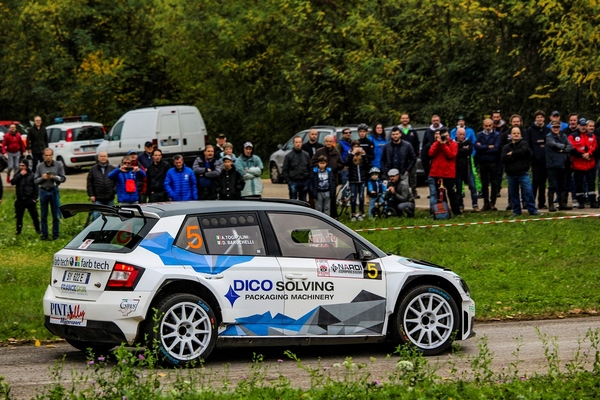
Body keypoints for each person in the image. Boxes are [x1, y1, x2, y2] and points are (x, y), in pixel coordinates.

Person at [501, 127, 541, 216]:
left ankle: (532, 210)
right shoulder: (506, 147)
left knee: (528, 191)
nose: (516, 135)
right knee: (514, 194)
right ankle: (516, 212)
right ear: (511, 135)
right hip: (511, 174)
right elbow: (504, 158)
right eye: (514, 133)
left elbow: (525, 152)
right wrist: (517, 155)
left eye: (518, 133)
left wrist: (512, 154)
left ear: (520, 135)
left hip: (523, 173)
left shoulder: (524, 144)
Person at [34, 148, 66, 240]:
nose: (48, 157)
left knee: (55, 214)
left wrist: (54, 177)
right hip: (43, 190)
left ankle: (56, 234)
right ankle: (44, 234)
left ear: (52, 155)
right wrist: (42, 178)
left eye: (50, 155)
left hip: (53, 190)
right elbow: (35, 180)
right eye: (46, 155)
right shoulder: (40, 166)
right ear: (43, 156)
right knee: (43, 214)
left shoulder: (58, 165)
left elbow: (63, 178)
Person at [428, 128, 460, 215]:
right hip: (438, 173)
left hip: (449, 173)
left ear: (449, 135)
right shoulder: (436, 143)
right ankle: (444, 211)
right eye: (443, 136)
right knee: (441, 194)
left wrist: (444, 145)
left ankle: (456, 211)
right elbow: (431, 153)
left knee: (452, 193)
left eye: (446, 136)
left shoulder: (453, 144)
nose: (445, 138)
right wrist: (438, 143)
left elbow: (451, 155)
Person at [568, 118, 598, 208]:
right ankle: (581, 202)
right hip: (578, 165)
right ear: (578, 126)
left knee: (591, 184)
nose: (583, 127)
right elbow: (572, 148)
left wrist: (589, 154)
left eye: (584, 125)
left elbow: (595, 146)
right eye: (581, 125)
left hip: (590, 164)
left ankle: (593, 201)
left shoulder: (592, 135)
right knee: (579, 185)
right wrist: (582, 155)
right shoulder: (572, 136)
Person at [312, 135, 344, 218]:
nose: (329, 143)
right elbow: (313, 162)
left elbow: (341, 163)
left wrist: (336, 166)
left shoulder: (336, 152)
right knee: (320, 199)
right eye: (327, 141)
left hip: (333, 178)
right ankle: (319, 216)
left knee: (332, 197)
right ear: (324, 142)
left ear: (333, 142)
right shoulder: (319, 151)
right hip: (320, 179)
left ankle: (332, 216)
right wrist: (321, 166)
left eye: (330, 141)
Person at [546, 120, 573, 211]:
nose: (556, 129)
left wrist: (562, 149)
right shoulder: (549, 137)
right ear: (551, 127)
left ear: (560, 127)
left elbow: (570, 147)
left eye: (557, 127)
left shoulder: (564, 136)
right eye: (554, 127)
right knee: (552, 185)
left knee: (563, 185)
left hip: (563, 164)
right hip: (552, 165)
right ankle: (551, 205)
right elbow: (553, 145)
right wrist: (563, 147)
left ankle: (562, 204)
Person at [525, 110, 550, 209]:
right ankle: (530, 203)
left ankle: (541, 203)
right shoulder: (530, 130)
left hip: (545, 160)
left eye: (541, 117)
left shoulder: (547, 130)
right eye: (538, 117)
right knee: (535, 182)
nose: (540, 119)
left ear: (544, 118)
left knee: (543, 183)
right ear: (535, 118)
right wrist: (532, 155)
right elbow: (527, 144)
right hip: (535, 160)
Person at [474, 119, 501, 211]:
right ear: (483, 126)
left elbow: (496, 148)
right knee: (484, 183)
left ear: (492, 125)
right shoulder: (479, 135)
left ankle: (493, 203)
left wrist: (483, 147)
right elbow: (476, 147)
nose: (488, 127)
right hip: (483, 162)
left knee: (494, 183)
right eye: (486, 126)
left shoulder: (496, 135)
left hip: (493, 162)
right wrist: (488, 146)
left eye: (489, 125)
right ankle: (486, 203)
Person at [11, 159, 40, 235]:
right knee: (19, 217)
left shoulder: (32, 175)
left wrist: (35, 199)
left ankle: (38, 230)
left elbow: (36, 188)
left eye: (23, 166)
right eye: (20, 165)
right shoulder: (18, 174)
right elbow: (12, 182)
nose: (21, 167)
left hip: (29, 199)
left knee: (34, 216)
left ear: (26, 166)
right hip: (20, 199)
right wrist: (20, 175)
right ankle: (18, 231)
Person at [86, 151, 116, 220]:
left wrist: (114, 191)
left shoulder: (112, 169)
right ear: (98, 158)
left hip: (110, 197)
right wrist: (91, 195)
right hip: (98, 198)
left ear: (107, 158)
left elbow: (116, 181)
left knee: (111, 216)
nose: (103, 158)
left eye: (104, 156)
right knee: (96, 216)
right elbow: (89, 183)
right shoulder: (93, 169)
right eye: (101, 156)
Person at [345, 140, 370, 221]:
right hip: (353, 180)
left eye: (357, 146)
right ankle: (353, 214)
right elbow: (346, 162)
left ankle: (361, 213)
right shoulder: (349, 155)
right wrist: (352, 154)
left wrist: (364, 155)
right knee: (353, 197)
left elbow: (367, 166)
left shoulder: (362, 156)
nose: (356, 148)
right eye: (354, 146)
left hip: (362, 180)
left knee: (362, 197)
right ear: (352, 147)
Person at [455, 128, 479, 212]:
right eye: (460, 134)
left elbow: (469, 151)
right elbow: (455, 152)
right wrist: (463, 150)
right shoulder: (453, 143)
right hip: (457, 169)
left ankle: (475, 205)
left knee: (472, 187)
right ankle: (460, 206)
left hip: (467, 169)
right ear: (456, 134)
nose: (462, 136)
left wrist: (462, 150)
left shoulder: (468, 142)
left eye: (463, 134)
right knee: (458, 189)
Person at [283, 136, 312, 201]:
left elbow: (310, 167)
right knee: (293, 201)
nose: (298, 144)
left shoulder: (306, 155)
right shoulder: (288, 156)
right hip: (293, 181)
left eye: (299, 142)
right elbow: (285, 169)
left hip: (304, 181)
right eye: (296, 142)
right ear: (293, 143)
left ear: (302, 143)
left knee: (303, 200)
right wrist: (288, 181)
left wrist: (308, 179)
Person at [399, 114, 421, 198]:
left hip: (412, 158)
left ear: (409, 119)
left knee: (413, 175)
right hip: (402, 158)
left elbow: (417, 143)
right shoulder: (398, 131)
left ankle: (414, 191)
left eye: (406, 118)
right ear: (401, 119)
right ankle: (405, 192)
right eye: (403, 118)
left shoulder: (413, 131)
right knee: (403, 175)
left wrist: (416, 154)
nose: (405, 120)